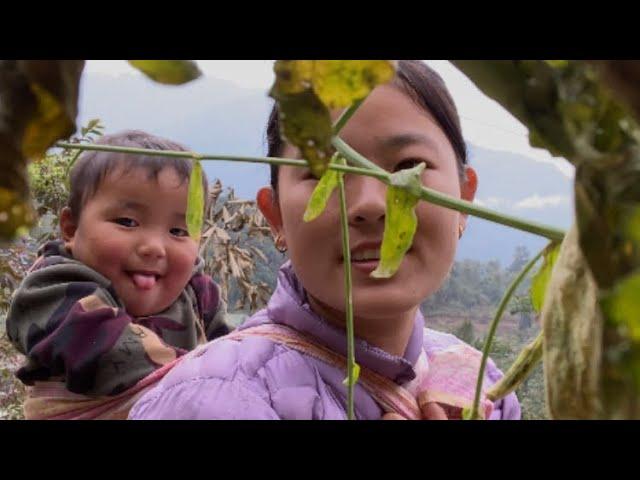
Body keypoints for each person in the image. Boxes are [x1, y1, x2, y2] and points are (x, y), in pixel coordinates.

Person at [129, 61, 521, 420]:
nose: (370, 204)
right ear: (276, 216)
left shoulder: (480, 385)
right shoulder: (212, 401)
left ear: (464, 199)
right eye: (325, 170)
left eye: (407, 167)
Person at [5, 130, 230, 418]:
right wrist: (216, 388)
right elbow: (106, 350)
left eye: (178, 231)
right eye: (127, 222)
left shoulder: (199, 293)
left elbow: (235, 356)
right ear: (71, 229)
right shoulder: (53, 287)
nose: (154, 248)